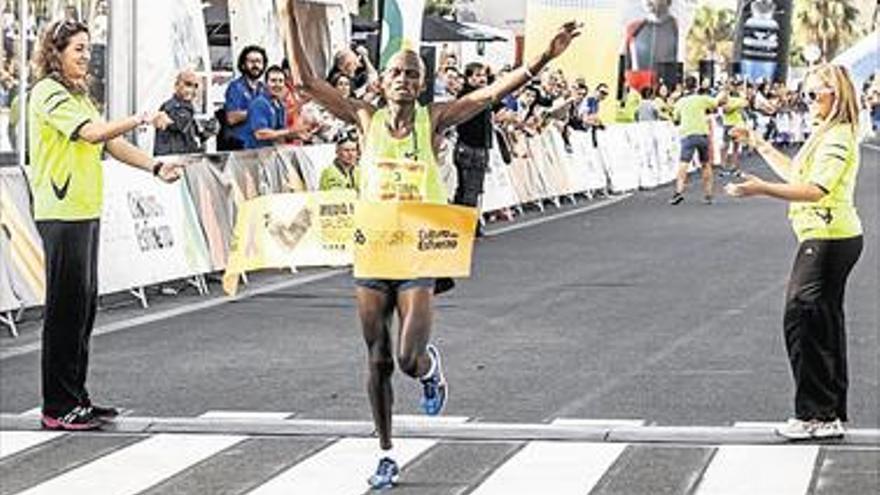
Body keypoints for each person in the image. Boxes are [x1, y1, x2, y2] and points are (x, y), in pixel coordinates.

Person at [286, 5, 580, 488]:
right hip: (374, 249)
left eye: (412, 74)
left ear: (421, 84)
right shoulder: (364, 116)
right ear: (380, 82)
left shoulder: (434, 118)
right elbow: (305, 81)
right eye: (396, 73)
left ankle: (429, 368)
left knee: (405, 357)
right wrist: (285, 15)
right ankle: (385, 453)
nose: (403, 79)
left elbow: (489, 94)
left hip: (420, 251)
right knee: (377, 358)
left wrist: (543, 58)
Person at [29, 19, 182, 430]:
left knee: (81, 309)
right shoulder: (47, 93)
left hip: (83, 209)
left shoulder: (76, 94)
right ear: (56, 52)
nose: (86, 56)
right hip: (61, 212)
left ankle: (76, 397)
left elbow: (111, 144)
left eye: (88, 48)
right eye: (78, 48)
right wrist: (141, 117)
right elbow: (94, 134)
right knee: (64, 311)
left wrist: (155, 166)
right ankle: (57, 406)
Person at [726, 64, 863, 440]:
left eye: (815, 94)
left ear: (835, 95)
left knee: (802, 319)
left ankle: (815, 415)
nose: (808, 101)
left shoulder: (837, 136)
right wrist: (759, 142)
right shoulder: (828, 132)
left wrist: (761, 189)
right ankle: (827, 412)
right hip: (831, 236)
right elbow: (799, 175)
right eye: (805, 94)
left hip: (828, 237)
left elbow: (816, 189)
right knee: (822, 324)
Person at [453, 62, 493, 222]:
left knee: (469, 189)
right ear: (468, 78)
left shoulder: (484, 94)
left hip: (479, 147)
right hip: (469, 146)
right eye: (477, 75)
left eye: (483, 75)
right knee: (469, 189)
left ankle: (461, 223)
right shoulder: (468, 95)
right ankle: (467, 225)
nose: (482, 79)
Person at [670, 75, 717, 205]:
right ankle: (708, 194)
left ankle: (678, 192)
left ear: (685, 86)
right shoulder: (702, 99)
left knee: (683, 164)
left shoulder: (680, 102)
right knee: (706, 164)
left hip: (688, 135)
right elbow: (716, 103)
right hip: (702, 134)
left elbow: (675, 119)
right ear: (696, 86)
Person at [154, 70, 216, 156]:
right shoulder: (173, 106)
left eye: (195, 86)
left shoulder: (187, 108)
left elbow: (192, 138)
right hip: (171, 160)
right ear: (176, 85)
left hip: (181, 158)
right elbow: (180, 124)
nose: (191, 89)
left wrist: (207, 132)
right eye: (188, 84)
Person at [623, 0, 679, 91]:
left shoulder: (677, 27)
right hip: (639, 90)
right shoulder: (634, 28)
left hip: (666, 90)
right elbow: (626, 64)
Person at [220, 45, 267, 150]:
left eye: (259, 61)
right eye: (251, 61)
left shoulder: (264, 89)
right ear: (243, 65)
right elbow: (231, 118)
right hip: (239, 146)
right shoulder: (236, 87)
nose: (255, 65)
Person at [243, 65, 299, 149]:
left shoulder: (280, 105)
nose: (277, 84)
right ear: (265, 83)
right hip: (255, 156)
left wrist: (299, 134)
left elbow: (280, 134)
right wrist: (290, 131)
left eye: (280, 81)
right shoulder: (259, 103)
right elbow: (260, 134)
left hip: (272, 154)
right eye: (273, 81)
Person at [720, 83, 749, 177]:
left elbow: (746, 104)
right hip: (728, 124)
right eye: (733, 86)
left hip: (738, 124)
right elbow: (726, 110)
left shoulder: (739, 97)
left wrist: (739, 103)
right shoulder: (725, 98)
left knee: (736, 146)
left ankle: (734, 167)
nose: (735, 88)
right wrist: (737, 105)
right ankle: (723, 167)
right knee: (725, 146)